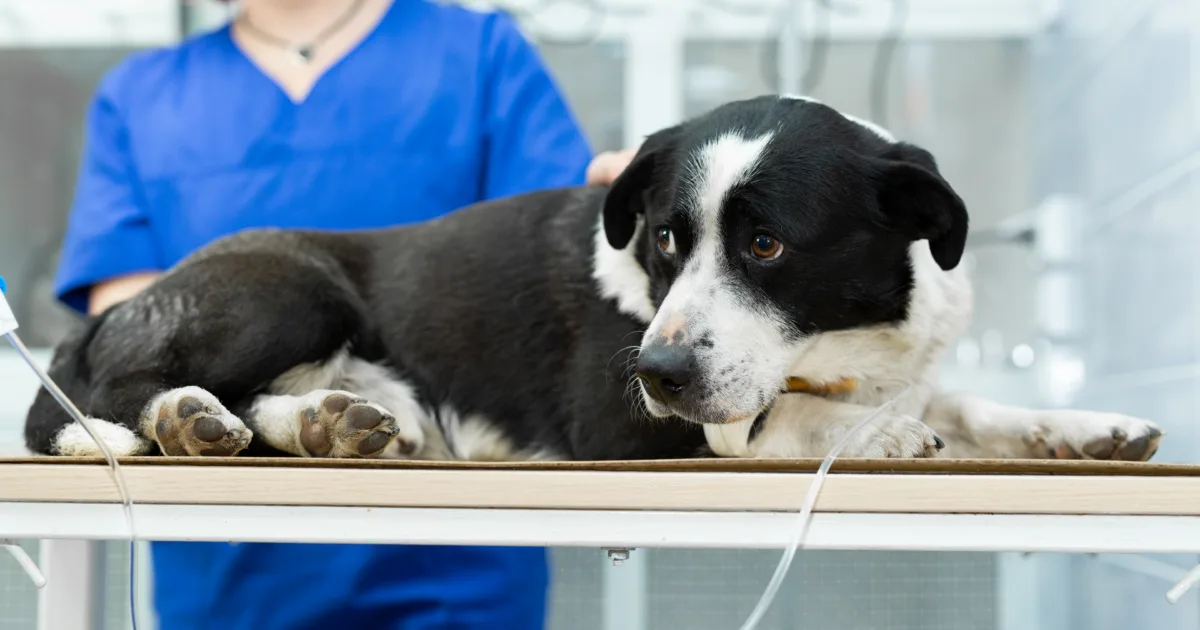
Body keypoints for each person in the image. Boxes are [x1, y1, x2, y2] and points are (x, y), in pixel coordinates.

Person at [53, 0, 631, 627]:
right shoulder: (139, 95)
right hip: (228, 575)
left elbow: (548, 275)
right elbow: (135, 343)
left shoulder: (480, 52)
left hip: (455, 572)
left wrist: (638, 217)